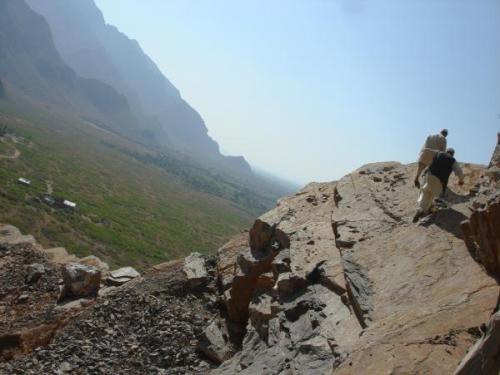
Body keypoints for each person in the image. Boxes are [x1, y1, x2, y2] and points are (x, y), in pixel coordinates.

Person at [412, 148, 464, 223]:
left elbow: (428, 152)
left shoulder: (439, 153)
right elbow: (459, 171)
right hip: (440, 181)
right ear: (453, 154)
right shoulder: (453, 160)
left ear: (446, 151)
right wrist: (461, 181)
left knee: (425, 193)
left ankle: (420, 209)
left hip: (429, 176)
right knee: (432, 195)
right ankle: (425, 210)